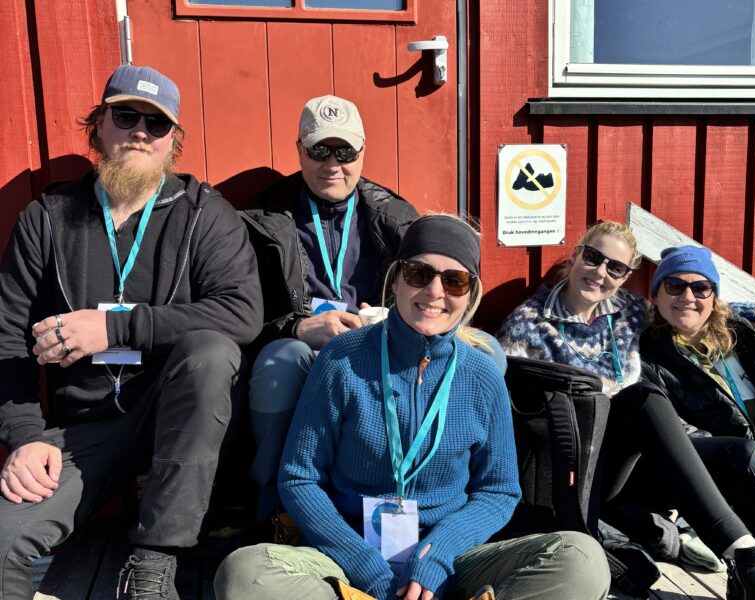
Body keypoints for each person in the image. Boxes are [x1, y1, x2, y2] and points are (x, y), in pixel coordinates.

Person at [215, 214, 610, 600]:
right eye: (419, 274)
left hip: (452, 560)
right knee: (246, 574)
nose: (435, 292)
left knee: (582, 560)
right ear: (397, 281)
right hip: (348, 556)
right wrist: (363, 564)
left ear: (471, 294)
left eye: (455, 281)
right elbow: (300, 478)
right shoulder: (341, 359)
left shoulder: (482, 375)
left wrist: (438, 554)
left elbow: (498, 490)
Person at [0, 65, 262, 600]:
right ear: (98, 127)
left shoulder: (202, 214)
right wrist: (24, 436)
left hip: (181, 417)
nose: (140, 131)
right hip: (87, 427)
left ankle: (155, 562)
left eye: (157, 124)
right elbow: (6, 338)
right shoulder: (47, 218)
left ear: (173, 143)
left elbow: (241, 313)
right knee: (3, 541)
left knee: (211, 351)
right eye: (126, 116)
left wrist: (114, 327)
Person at [497, 221, 755, 599]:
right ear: (575, 256)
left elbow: (690, 310)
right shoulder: (528, 325)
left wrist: (754, 311)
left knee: (743, 455)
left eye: (616, 268)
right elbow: (505, 415)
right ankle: (743, 554)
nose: (600, 272)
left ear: (625, 278)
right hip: (580, 471)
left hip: (638, 464)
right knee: (643, 396)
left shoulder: (628, 312)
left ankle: (750, 565)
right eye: (593, 257)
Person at [243, 95, 505, 521]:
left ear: (362, 153)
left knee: (487, 352)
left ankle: (457, 503)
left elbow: (433, 291)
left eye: (345, 151)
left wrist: (391, 319)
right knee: (280, 361)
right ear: (299, 150)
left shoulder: (395, 215)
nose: (333, 163)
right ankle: (278, 505)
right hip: (308, 347)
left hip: (385, 341)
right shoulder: (260, 218)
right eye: (319, 150)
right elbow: (241, 309)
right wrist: (298, 327)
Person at [639, 245, 755, 566]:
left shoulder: (751, 334)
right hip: (742, 477)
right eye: (674, 286)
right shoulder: (649, 357)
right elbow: (683, 437)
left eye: (700, 287)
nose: (688, 296)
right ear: (655, 295)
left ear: (714, 297)